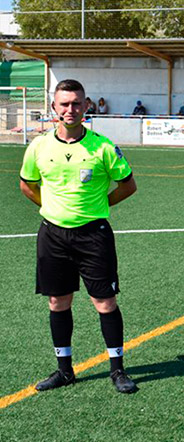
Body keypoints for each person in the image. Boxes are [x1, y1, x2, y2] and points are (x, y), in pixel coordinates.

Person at [19, 79, 138, 394]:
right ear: (54, 108)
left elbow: (128, 185)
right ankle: (64, 370)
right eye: (64, 104)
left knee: (104, 302)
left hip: (93, 236)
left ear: (87, 107)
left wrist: (100, 206)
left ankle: (117, 369)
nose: (70, 109)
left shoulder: (102, 147)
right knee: (58, 301)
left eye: (76, 103)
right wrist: (50, 207)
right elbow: (26, 184)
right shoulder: (39, 146)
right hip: (52, 235)